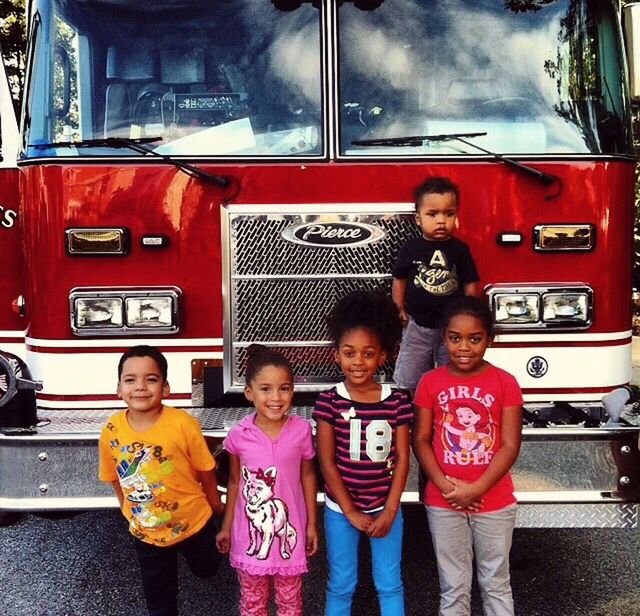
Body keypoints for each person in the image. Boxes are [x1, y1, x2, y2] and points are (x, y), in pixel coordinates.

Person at [412, 297, 523, 616]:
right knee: (453, 586)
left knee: (496, 583)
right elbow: (420, 440)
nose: (464, 347)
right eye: (454, 338)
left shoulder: (506, 383)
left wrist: (475, 489)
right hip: (442, 500)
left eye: (475, 339)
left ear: (489, 338)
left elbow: (510, 445)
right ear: (443, 337)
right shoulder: (430, 382)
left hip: (495, 501)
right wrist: (447, 488)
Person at [98, 345, 224, 616]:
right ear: (118, 389)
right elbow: (113, 477)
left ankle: (200, 559)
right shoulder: (111, 430)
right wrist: (127, 512)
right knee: (159, 597)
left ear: (165, 388)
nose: (140, 387)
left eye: (151, 379)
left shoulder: (183, 424)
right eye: (130, 380)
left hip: (194, 522)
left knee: (207, 569)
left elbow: (205, 469)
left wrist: (215, 504)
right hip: (148, 530)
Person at [313, 290, 412, 616]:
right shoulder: (329, 401)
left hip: (386, 507)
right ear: (336, 356)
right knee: (342, 582)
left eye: (368, 353)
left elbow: (401, 460)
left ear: (382, 355)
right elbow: (326, 462)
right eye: (350, 353)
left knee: (390, 582)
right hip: (341, 511)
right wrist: (351, 511)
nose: (358, 361)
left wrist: (389, 510)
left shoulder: (396, 401)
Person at [215, 344, 318, 616]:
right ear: (249, 393)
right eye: (265, 389)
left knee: (290, 602)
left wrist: (310, 525)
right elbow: (235, 482)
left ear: (293, 391)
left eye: (284, 388)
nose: (276, 397)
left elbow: (308, 475)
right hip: (248, 534)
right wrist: (226, 527)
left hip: (288, 532)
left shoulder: (302, 430)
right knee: (252, 601)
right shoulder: (239, 434)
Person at [392, 176, 480, 392]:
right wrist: (399, 308)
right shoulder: (411, 248)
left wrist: (467, 314)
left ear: (456, 217)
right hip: (417, 324)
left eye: (448, 214)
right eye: (433, 214)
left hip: (451, 327)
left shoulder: (460, 249)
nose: (441, 220)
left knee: (451, 369)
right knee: (411, 372)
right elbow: (399, 279)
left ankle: (446, 402)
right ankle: (413, 406)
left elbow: (470, 282)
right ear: (418, 219)